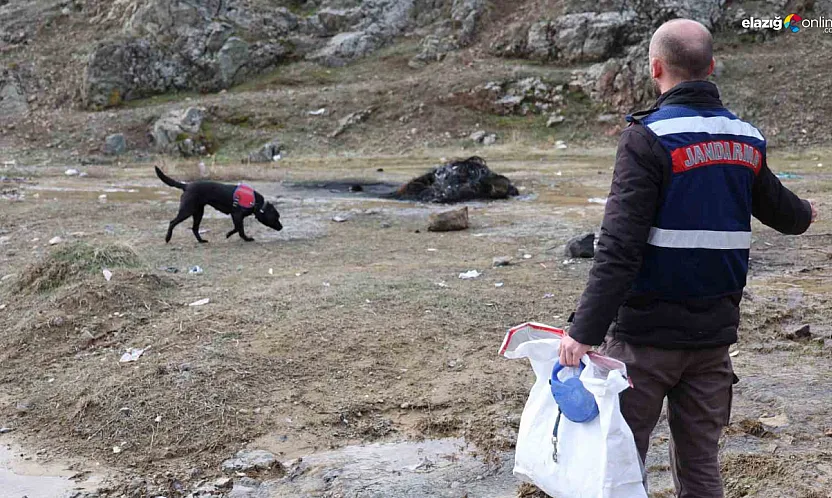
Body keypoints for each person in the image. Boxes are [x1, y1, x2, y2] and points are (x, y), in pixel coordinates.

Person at [558, 18, 817, 498]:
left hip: (643, 342)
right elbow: (786, 214)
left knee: (618, 465)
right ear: (711, 67)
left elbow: (618, 247)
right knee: (700, 472)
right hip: (713, 342)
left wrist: (583, 333)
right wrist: (807, 212)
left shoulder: (646, 137)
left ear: (655, 68)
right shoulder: (746, 139)